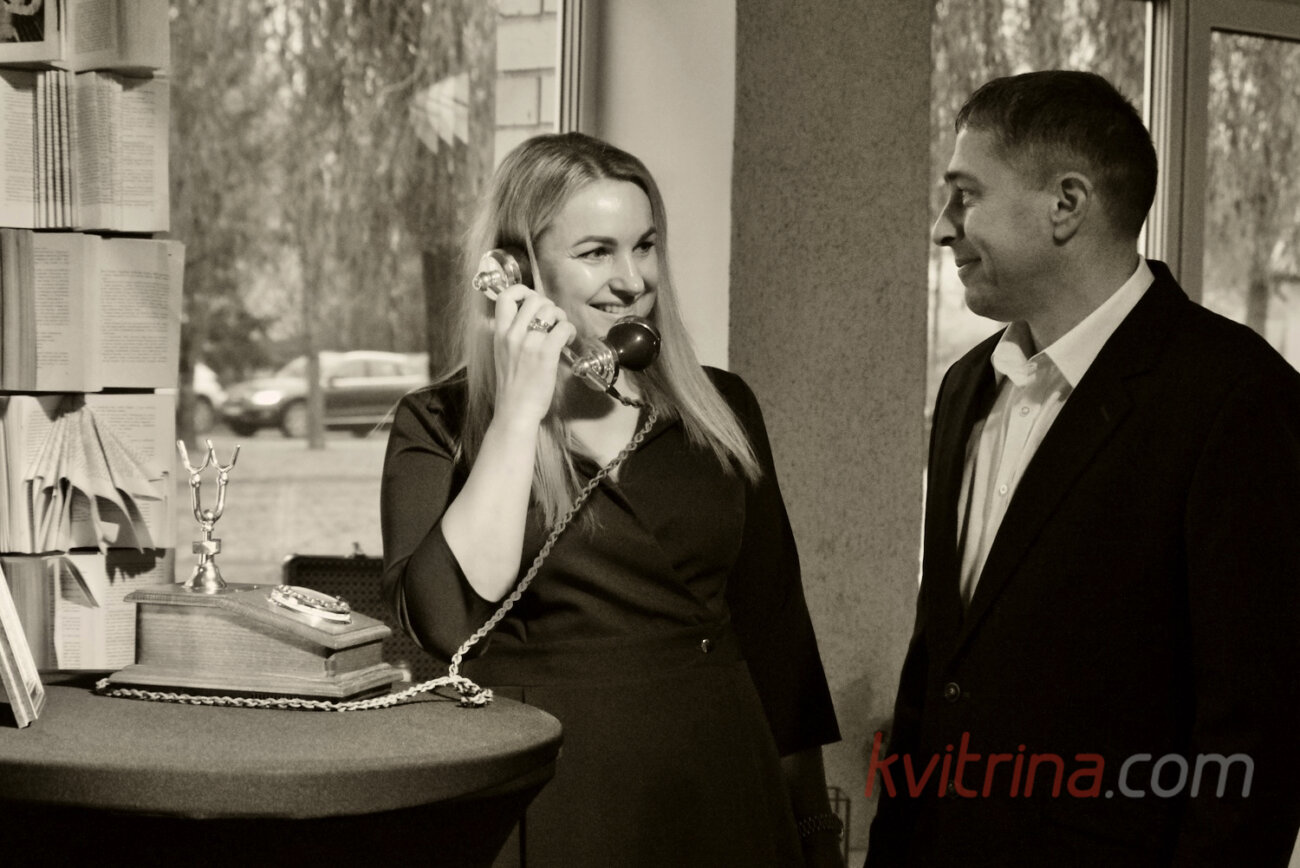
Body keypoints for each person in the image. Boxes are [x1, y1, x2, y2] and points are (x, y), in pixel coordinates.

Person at [867, 71, 1300, 867]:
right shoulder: (966, 385)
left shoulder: (1237, 398)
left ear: (1066, 204)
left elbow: (1258, 728)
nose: (941, 226)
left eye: (965, 195)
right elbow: (939, 663)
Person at [381, 132, 843, 867]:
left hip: (719, 783)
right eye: (597, 252)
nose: (633, 281)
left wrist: (813, 826)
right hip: (552, 795)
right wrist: (519, 411)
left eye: (646, 246)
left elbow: (775, 631)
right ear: (513, 270)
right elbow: (444, 622)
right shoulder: (440, 421)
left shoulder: (719, 407)